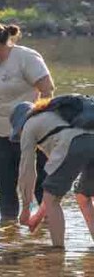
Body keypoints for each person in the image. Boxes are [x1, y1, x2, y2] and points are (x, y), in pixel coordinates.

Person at [0, 21, 53, 223]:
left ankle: (47, 232)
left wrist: (38, 123)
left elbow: (47, 89)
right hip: (0, 133)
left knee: (39, 185)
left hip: (30, 132)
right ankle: (8, 238)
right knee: (5, 187)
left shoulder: (26, 57)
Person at [11, 98, 94, 248]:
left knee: (52, 200)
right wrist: (37, 217)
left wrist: (25, 209)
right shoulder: (55, 116)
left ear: (20, 124)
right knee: (84, 196)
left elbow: (27, 172)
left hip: (76, 144)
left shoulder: (30, 126)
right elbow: (52, 190)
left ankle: (57, 254)